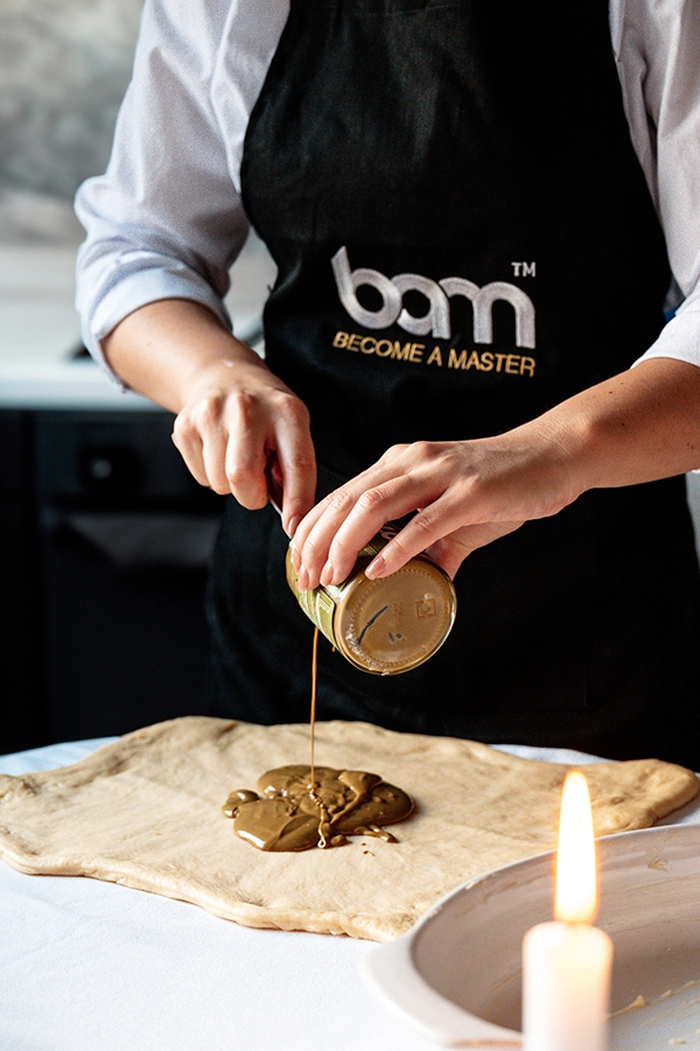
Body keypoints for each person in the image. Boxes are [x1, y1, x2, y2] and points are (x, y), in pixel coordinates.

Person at [76, 0, 700, 767]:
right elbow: (137, 247)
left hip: (588, 649)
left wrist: (552, 450)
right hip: (292, 638)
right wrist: (214, 372)